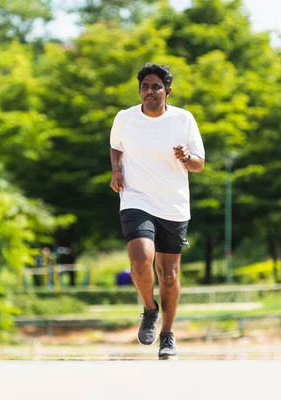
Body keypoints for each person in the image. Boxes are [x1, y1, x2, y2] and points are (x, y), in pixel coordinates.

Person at [109, 63, 205, 360]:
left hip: (173, 204)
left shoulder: (183, 120)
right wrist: (116, 170)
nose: (149, 92)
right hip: (136, 199)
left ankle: (168, 334)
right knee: (140, 258)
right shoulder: (125, 119)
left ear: (168, 90)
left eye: (156, 87)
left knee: (169, 274)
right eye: (144, 87)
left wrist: (186, 157)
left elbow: (199, 164)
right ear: (139, 90)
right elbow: (116, 147)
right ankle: (150, 309)